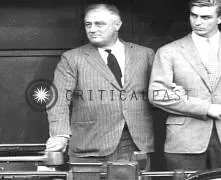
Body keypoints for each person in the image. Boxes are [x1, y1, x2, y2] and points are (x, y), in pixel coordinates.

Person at [148, 0, 221, 171]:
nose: (197, 22)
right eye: (193, 15)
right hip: (185, 140)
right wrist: (205, 108)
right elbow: (157, 94)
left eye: (206, 17)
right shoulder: (168, 51)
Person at [45, 3, 155, 171]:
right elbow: (58, 99)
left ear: (117, 25)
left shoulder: (145, 54)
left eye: (99, 24)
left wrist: (173, 93)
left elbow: (159, 92)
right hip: (89, 144)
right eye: (88, 24)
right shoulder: (72, 58)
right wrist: (60, 135)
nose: (92, 29)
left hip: (135, 144)